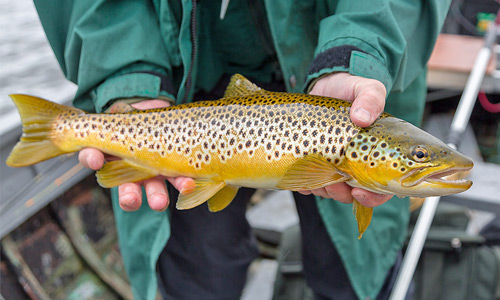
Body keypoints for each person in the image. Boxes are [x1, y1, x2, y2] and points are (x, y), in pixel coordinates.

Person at [33, 0, 450, 299]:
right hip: (182, 73)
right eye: (417, 158)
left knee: (354, 269)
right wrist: (126, 80)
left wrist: (358, 53)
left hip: (342, 67)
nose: (422, 161)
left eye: (418, 158)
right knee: (199, 273)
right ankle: (62, 128)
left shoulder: (357, 132)